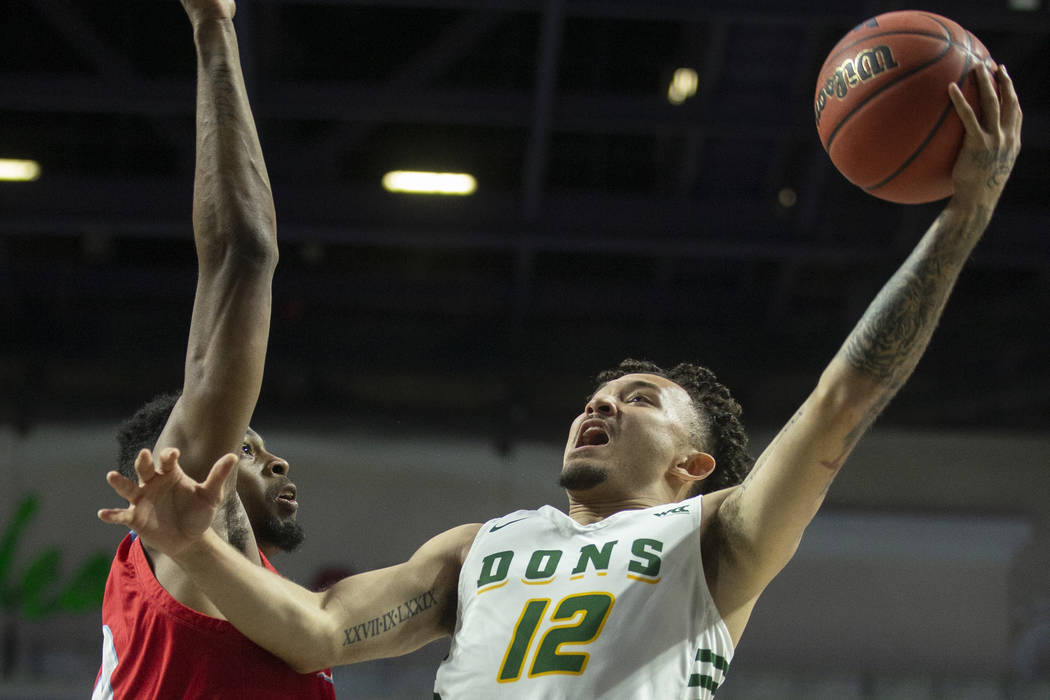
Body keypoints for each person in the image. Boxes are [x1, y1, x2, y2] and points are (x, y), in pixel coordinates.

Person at [99, 61, 1021, 699]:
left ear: (694, 464)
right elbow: (320, 632)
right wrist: (200, 549)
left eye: (639, 400)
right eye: (596, 397)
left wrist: (964, 216)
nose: (599, 406)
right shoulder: (478, 548)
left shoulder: (718, 537)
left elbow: (843, 399)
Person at [92, 1, 334, 698]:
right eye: (247, 449)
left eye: (253, 449)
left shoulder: (258, 597)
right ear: (172, 472)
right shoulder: (185, 549)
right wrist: (214, 26)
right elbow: (240, 252)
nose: (278, 459)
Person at [115, 391, 304, 558]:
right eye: (245, 449)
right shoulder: (168, 553)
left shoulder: (250, 578)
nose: (281, 463)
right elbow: (208, 381)